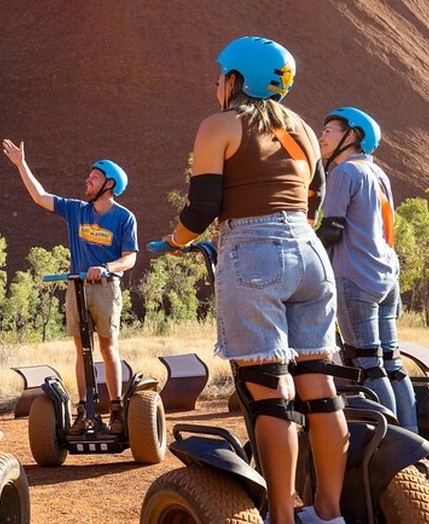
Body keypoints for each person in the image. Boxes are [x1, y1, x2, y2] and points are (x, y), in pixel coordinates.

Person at [161, 36, 347, 524]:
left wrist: (177, 240)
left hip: (253, 249)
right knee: (320, 389)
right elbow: (314, 200)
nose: (216, 84)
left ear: (237, 79)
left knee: (269, 391)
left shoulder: (219, 125)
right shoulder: (304, 130)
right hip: (309, 254)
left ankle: (282, 517)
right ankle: (329, 513)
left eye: (221, 75)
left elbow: (203, 207)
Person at [2, 139, 137, 436]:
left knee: (107, 346)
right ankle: (86, 410)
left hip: (105, 288)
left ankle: (116, 409)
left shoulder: (124, 217)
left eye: (94, 177)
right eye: (89, 177)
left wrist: (106, 268)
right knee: (82, 348)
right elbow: (40, 197)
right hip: (76, 287)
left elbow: (130, 258)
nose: (87, 181)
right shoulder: (77, 210)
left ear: (110, 184)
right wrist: (20, 164)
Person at [317, 107, 418, 433]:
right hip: (386, 277)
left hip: (356, 276)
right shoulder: (378, 174)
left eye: (329, 131)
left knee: (368, 365)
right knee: (392, 363)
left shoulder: (344, 173)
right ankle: (413, 440)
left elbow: (332, 230)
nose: (322, 137)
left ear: (354, 135)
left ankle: (395, 450)